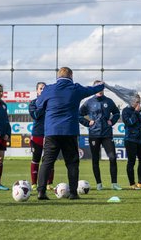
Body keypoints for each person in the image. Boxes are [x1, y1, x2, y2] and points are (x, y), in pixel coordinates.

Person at [35, 67, 104, 200]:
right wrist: (101, 85)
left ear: (58, 76)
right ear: (71, 76)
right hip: (69, 131)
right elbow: (92, 90)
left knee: (47, 162)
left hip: (52, 132)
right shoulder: (75, 89)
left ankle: (41, 192)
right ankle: (73, 193)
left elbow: (38, 104)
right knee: (72, 163)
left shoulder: (48, 89)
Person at [79, 81, 121, 190]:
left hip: (107, 134)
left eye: (101, 88)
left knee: (112, 157)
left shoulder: (109, 101)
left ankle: (114, 184)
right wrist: (88, 123)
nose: (100, 90)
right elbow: (79, 115)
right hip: (94, 134)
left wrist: (112, 121)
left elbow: (116, 113)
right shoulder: (88, 102)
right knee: (95, 159)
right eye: (97, 88)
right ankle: (99, 184)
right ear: (94, 89)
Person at [122, 94, 141, 190]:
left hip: (140, 140)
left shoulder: (140, 111)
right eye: (136, 102)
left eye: (139, 102)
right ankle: (132, 183)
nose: (138, 104)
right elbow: (129, 122)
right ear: (131, 101)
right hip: (130, 139)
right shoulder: (126, 111)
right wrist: (135, 112)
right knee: (131, 162)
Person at [29, 82, 54, 191]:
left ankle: (49, 183)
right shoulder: (33, 103)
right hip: (37, 134)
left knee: (49, 159)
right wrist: (42, 105)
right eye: (40, 88)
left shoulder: (51, 102)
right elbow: (35, 115)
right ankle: (34, 183)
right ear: (37, 91)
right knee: (36, 159)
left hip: (50, 133)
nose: (42, 90)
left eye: (44, 88)